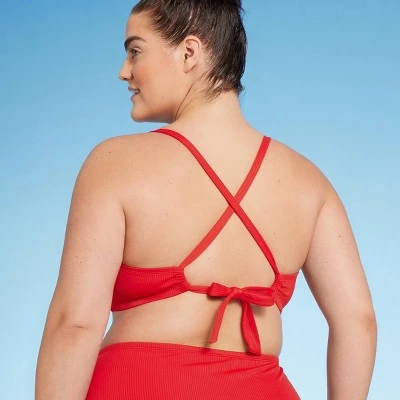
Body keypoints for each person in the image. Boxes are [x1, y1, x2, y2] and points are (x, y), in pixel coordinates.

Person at [35, 1, 377, 399]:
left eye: (135, 51)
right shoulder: (309, 183)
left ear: (188, 52)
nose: (124, 71)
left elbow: (75, 325)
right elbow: (359, 321)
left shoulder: (114, 163)